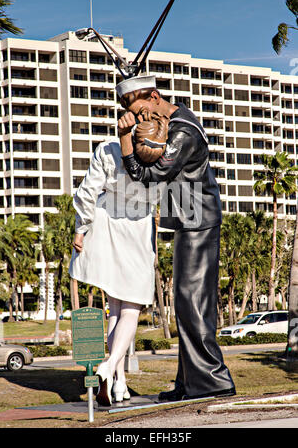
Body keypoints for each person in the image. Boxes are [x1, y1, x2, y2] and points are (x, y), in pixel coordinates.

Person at [117, 74, 236, 401]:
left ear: (155, 96)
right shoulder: (176, 122)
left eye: (142, 111)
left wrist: (126, 138)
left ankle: (213, 381)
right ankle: (189, 383)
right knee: (186, 305)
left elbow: (148, 175)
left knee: (193, 304)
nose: (142, 120)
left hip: (199, 221)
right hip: (188, 220)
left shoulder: (183, 131)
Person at [69, 132, 164, 406]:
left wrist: (81, 228)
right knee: (131, 309)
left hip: (105, 224)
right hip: (137, 228)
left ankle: (119, 382)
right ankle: (109, 367)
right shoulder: (162, 156)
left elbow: (87, 191)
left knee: (115, 306)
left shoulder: (107, 149)